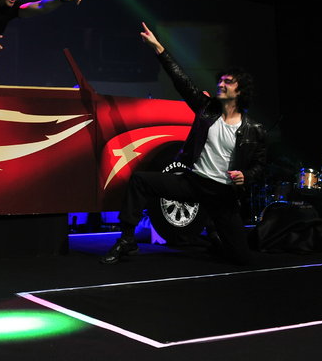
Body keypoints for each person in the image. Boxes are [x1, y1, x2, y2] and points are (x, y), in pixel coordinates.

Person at [100, 22, 267, 266]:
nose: (220, 84)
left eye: (228, 82)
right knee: (140, 181)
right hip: (193, 183)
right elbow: (181, 81)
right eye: (220, 80)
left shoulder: (254, 129)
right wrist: (158, 48)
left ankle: (217, 238)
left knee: (242, 258)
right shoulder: (207, 109)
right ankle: (127, 239)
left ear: (240, 91)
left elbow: (260, 167)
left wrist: (246, 175)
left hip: (222, 194)